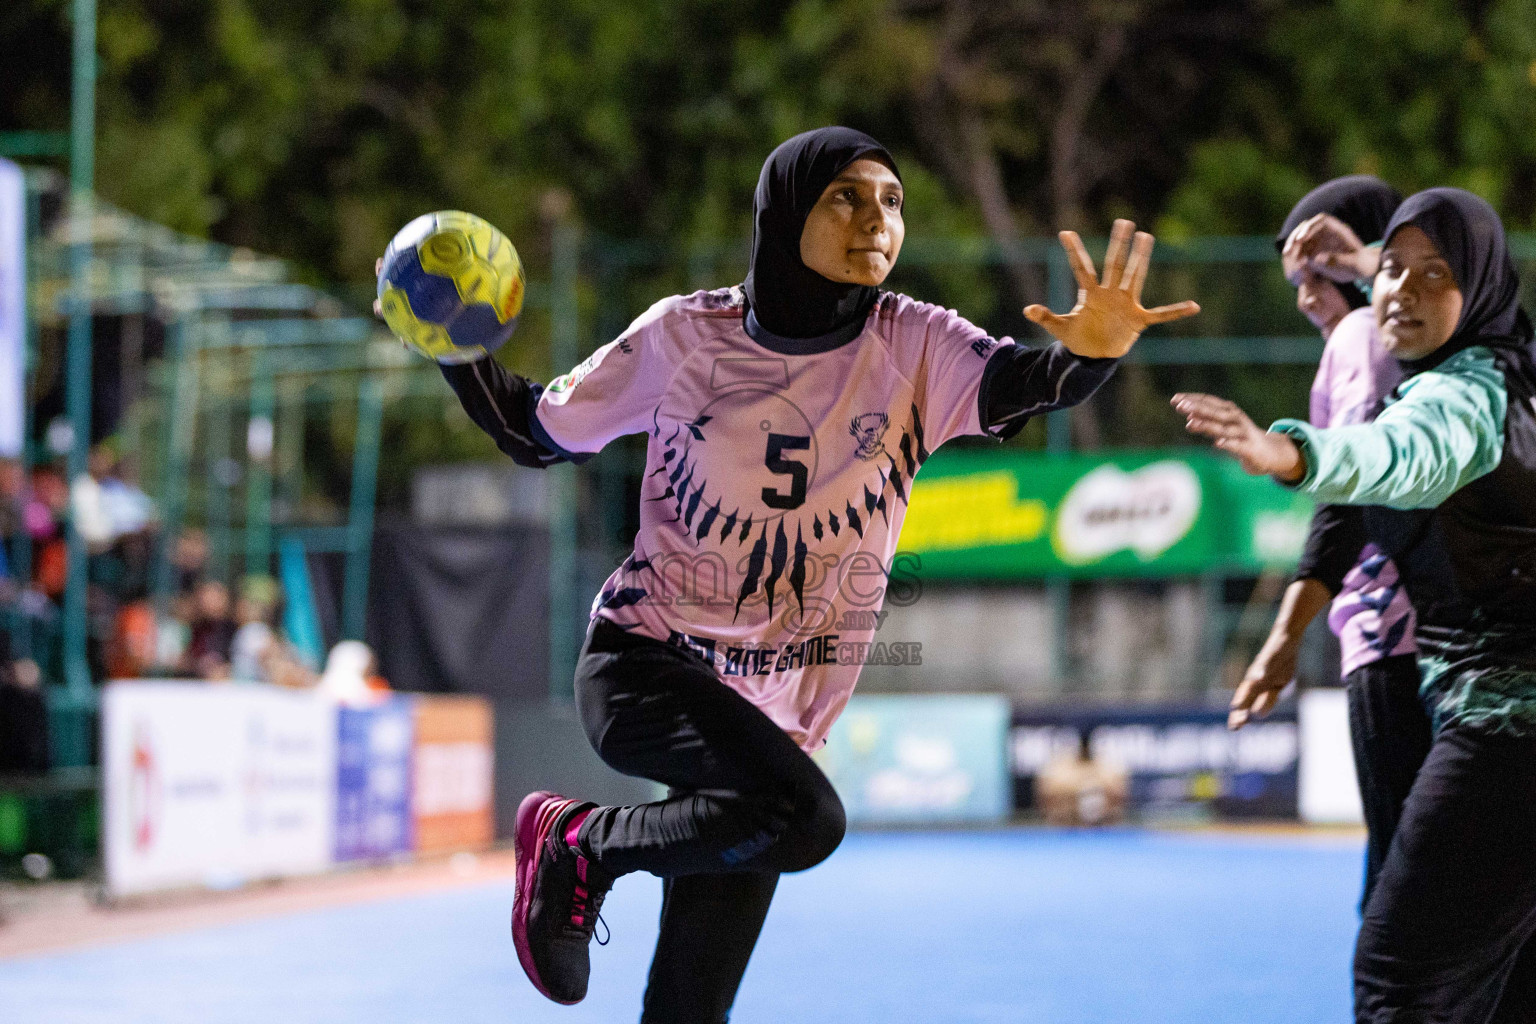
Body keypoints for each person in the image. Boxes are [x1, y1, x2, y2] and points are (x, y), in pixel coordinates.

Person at [419, 126, 1198, 1018]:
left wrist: (1088, 355)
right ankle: (580, 844)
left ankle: (586, 848)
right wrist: (455, 346)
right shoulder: (686, 336)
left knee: (690, 1005)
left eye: (894, 201)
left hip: (774, 716)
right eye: (848, 196)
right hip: (646, 667)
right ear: (784, 211)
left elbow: (1026, 382)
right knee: (804, 821)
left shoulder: (914, 343)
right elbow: (534, 432)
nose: (878, 219)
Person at [1175, 187, 1536, 1024]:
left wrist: (1288, 452)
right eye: (1391, 270)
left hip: (1504, 724)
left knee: (1399, 977)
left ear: (1475, 281)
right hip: (1485, 706)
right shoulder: (1518, 370)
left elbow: (1395, 452)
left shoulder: (1463, 396)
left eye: (1430, 272)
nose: (1400, 290)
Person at [1234, 176, 1432, 909]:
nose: (1305, 297)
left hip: (1395, 642)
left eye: (1318, 272)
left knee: (1400, 901)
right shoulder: (1455, 353)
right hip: (1449, 640)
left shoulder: (1360, 335)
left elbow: (1347, 496)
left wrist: (1283, 640)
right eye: (1296, 280)